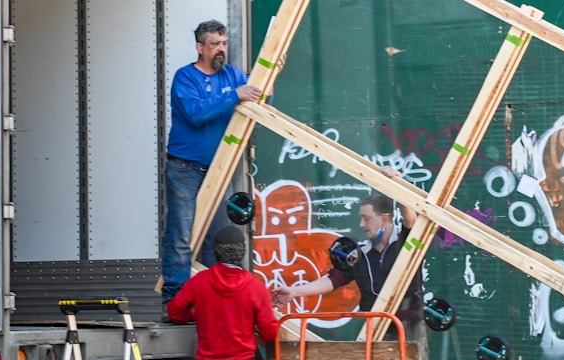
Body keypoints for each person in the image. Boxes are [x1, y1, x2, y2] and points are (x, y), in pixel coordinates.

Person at [162, 19, 263, 306]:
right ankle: (174, 302)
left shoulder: (232, 75)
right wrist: (233, 95)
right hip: (184, 168)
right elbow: (195, 113)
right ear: (200, 47)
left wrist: (273, 72)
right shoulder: (185, 77)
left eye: (224, 44)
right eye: (215, 44)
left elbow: (262, 98)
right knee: (181, 236)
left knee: (217, 239)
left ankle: (215, 303)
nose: (221, 50)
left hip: (220, 168)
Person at [271, 167, 427, 344]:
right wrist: (294, 291)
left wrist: (399, 187)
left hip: (409, 327)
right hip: (376, 329)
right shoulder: (360, 254)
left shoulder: (407, 242)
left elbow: (411, 220)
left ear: (384, 219)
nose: (361, 224)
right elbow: (333, 280)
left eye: (366, 218)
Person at [168, 225, 279, 360]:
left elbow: (174, 311)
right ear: (242, 251)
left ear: (216, 251)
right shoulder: (256, 288)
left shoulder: (199, 281)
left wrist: (194, 315)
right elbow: (269, 333)